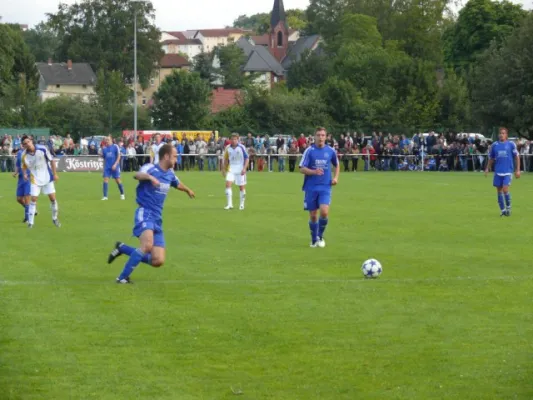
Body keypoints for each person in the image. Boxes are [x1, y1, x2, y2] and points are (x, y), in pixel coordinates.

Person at [107, 144, 195, 284]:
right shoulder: (151, 168)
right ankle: (122, 278)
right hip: (145, 212)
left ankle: (122, 248)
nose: (176, 160)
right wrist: (149, 178)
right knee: (147, 245)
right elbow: (137, 175)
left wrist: (188, 190)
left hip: (157, 218)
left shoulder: (170, 174)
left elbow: (177, 183)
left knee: (157, 260)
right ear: (166, 156)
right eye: (174, 156)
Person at [299, 127, 339, 248]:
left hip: (325, 187)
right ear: (314, 137)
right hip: (311, 187)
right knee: (313, 215)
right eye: (318, 135)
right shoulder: (309, 151)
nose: (320, 137)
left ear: (326, 137)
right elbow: (301, 168)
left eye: (323, 135)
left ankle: (320, 236)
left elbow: (337, 165)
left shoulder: (331, 151)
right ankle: (313, 239)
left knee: (324, 212)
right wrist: (314, 172)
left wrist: (336, 178)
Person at [20, 135, 60, 228]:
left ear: (31, 141)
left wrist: (55, 174)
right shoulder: (24, 155)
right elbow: (23, 167)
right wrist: (25, 174)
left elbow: (52, 161)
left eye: (28, 142)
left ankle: (54, 218)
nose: (28, 144)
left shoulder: (42, 149)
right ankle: (31, 223)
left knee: (53, 199)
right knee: (33, 199)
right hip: (35, 179)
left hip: (47, 178)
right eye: (25, 144)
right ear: (23, 145)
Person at [485, 127, 520, 216]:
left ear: (506, 135)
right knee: (499, 191)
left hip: (508, 171)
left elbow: (517, 157)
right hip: (498, 172)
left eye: (503, 133)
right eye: (500, 133)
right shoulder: (495, 145)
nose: (501, 135)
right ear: (498, 135)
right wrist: (487, 168)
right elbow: (491, 158)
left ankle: (508, 207)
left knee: (505, 189)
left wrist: (518, 170)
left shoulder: (511, 144)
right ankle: (503, 210)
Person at [222, 133, 249, 210]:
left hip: (240, 169)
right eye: (232, 139)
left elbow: (247, 158)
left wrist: (244, 168)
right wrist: (223, 169)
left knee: (241, 187)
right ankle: (229, 204)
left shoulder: (241, 147)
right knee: (227, 185)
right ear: (230, 139)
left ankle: (241, 204)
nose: (233, 141)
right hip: (231, 169)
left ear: (238, 139)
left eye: (235, 139)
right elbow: (226, 159)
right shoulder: (227, 148)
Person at [13, 142, 36, 222]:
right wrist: (15, 172)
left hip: (29, 178)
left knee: (27, 197)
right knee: (19, 199)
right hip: (21, 178)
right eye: (23, 144)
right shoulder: (19, 153)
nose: (24, 145)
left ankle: (27, 218)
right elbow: (17, 164)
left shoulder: (32, 153)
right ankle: (31, 209)